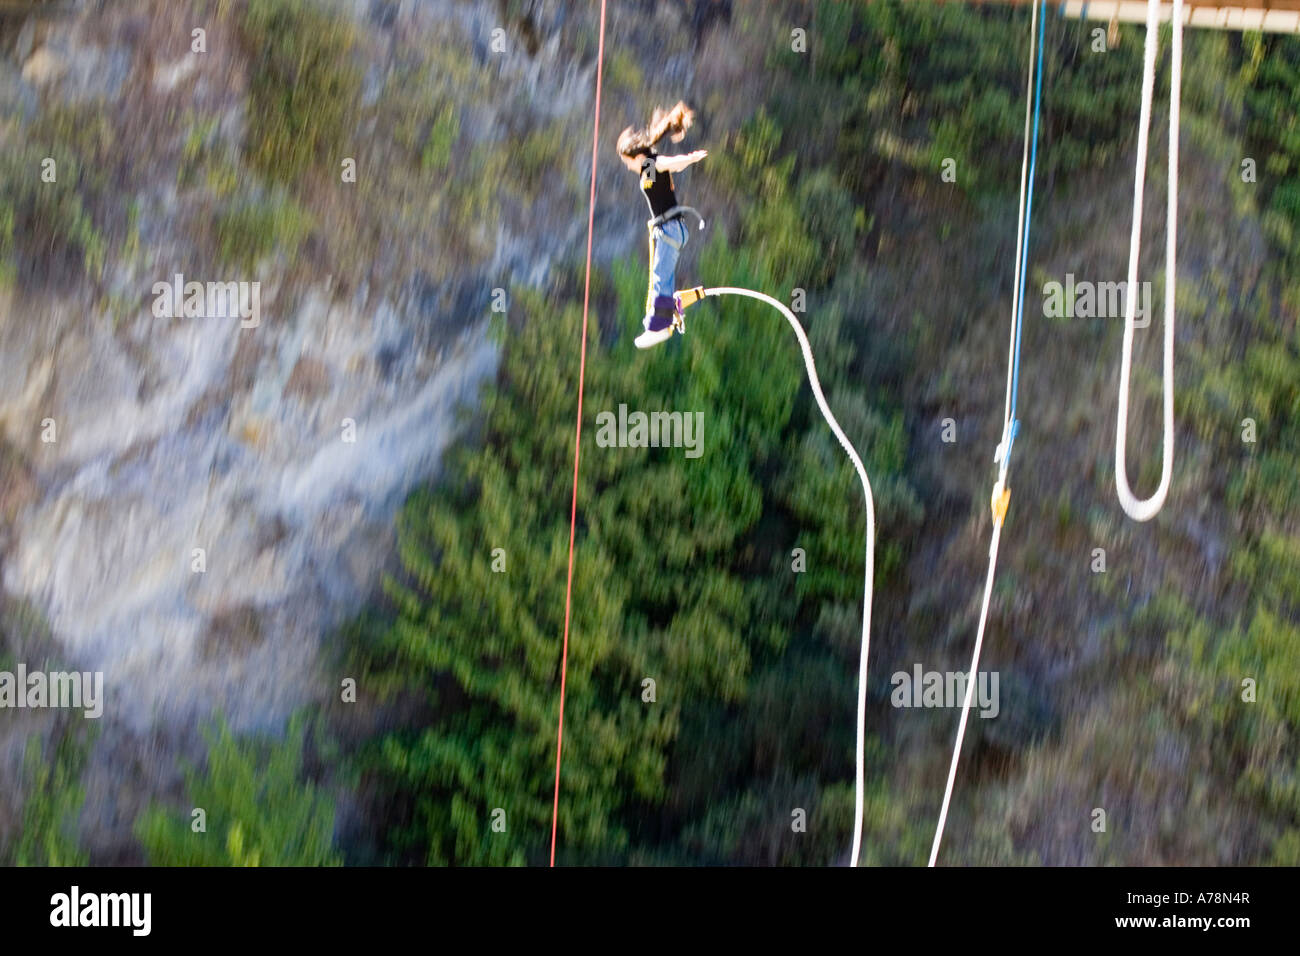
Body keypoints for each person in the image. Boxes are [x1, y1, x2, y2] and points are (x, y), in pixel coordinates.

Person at [615, 102, 708, 349]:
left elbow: (666, 163)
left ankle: (658, 327)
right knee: (662, 279)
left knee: (660, 279)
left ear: (638, 157)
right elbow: (663, 167)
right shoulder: (648, 169)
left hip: (669, 229)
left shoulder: (649, 165)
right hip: (670, 229)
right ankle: (662, 317)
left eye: (628, 162)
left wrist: (687, 160)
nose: (628, 166)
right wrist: (681, 162)